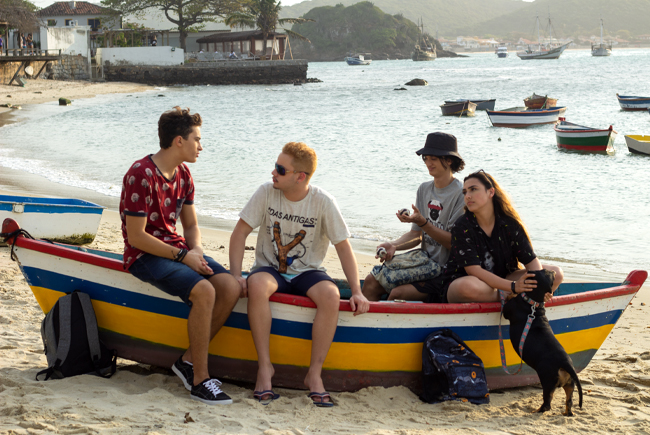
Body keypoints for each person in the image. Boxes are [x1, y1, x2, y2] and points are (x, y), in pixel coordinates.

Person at [229, 142, 369, 406]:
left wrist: (357, 291)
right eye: (275, 166)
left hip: (308, 271)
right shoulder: (266, 192)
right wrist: (236, 275)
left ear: (300, 177)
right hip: (270, 269)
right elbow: (240, 233)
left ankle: (314, 374)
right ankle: (265, 368)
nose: (274, 172)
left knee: (331, 296)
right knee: (256, 285)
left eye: (281, 169)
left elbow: (343, 247)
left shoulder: (323, 201)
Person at [119, 107, 241, 405]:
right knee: (205, 291)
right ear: (178, 141)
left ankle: (187, 361)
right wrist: (183, 257)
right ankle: (200, 380)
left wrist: (195, 250)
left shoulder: (184, 174)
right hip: (144, 255)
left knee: (230, 287)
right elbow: (136, 237)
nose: (201, 146)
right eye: (197, 139)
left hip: (177, 249)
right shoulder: (140, 174)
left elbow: (191, 226)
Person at [361, 132, 466, 302]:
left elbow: (453, 243)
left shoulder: (462, 193)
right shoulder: (424, 189)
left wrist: (423, 223)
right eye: (425, 158)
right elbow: (417, 235)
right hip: (422, 262)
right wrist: (394, 245)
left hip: (446, 271)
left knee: (398, 294)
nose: (428, 163)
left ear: (449, 160)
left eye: (433, 158)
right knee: (371, 281)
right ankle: (364, 318)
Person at [435, 170, 564, 303]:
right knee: (466, 287)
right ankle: (512, 296)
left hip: (505, 278)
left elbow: (531, 261)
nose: (467, 196)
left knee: (555, 274)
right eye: (465, 192)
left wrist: (541, 284)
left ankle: (517, 296)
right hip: (473, 283)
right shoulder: (462, 226)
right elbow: (474, 270)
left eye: (473, 189)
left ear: (491, 192)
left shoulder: (509, 223)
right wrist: (513, 287)